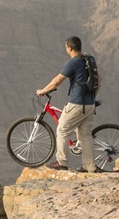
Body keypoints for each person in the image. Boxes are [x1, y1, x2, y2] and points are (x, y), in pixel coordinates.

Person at [37, 36, 100, 172]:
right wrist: (93, 97)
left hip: (77, 104)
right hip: (90, 105)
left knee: (62, 130)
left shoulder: (73, 63)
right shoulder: (87, 60)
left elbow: (57, 81)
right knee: (85, 136)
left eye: (66, 47)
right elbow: (99, 79)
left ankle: (62, 163)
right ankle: (90, 167)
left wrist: (43, 91)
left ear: (70, 48)